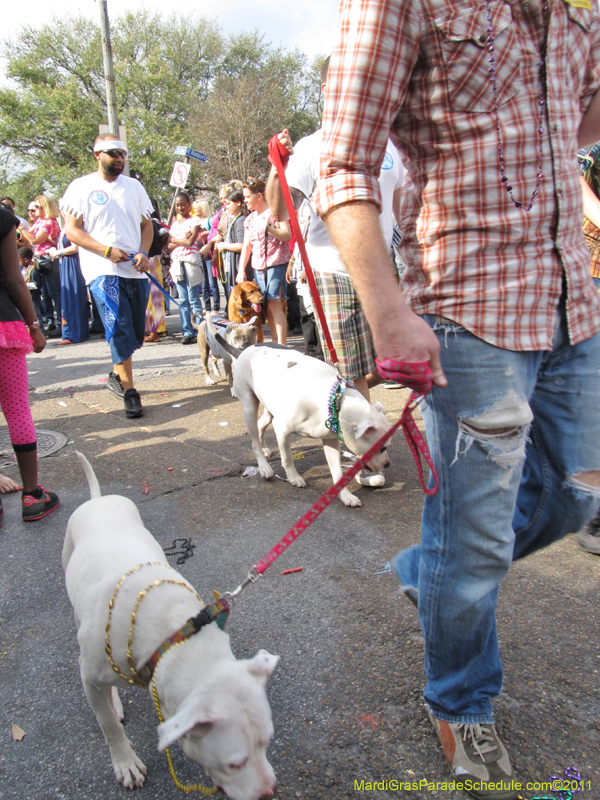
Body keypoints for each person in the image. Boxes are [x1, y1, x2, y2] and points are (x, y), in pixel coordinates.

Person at [309, 3, 600, 798]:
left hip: (573, 299)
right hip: (470, 305)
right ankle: (461, 700)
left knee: (578, 494)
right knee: (471, 539)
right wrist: (388, 312)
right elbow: (343, 164)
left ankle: (429, 570)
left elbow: (575, 119)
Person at [266, 56, 404, 486]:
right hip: (332, 271)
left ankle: (358, 429)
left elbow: (402, 211)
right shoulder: (313, 147)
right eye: (345, 80)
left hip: (382, 272)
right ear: (327, 89)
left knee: (391, 365)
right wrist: (276, 165)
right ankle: (360, 452)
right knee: (350, 371)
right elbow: (279, 212)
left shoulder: (390, 147)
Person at [62, 133, 153, 419]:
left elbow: (147, 226)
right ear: (97, 154)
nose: (119, 158)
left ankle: (116, 375)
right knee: (119, 326)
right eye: (113, 153)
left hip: (134, 271)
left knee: (135, 332)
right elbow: (72, 230)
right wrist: (105, 251)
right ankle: (130, 392)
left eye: (123, 153)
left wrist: (143, 252)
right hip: (102, 270)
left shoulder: (134, 187)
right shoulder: (81, 187)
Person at [0, 205, 59, 524]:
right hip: (3, 324)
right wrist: (34, 326)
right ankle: (33, 495)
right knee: (17, 409)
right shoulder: (2, 217)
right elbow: (14, 279)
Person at [238, 177, 291, 345]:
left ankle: (282, 344)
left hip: (276, 263)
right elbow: (247, 246)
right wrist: (241, 270)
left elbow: (287, 235)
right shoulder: (249, 220)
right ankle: (275, 343)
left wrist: (268, 228)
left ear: (259, 196)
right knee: (266, 305)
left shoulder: (276, 213)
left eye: (248, 196)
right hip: (258, 267)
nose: (245, 200)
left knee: (275, 303)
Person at [20, 195, 62, 337]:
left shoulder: (48, 222)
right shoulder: (40, 221)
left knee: (55, 293)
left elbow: (34, 240)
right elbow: (27, 235)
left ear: (45, 208)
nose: (34, 209)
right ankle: (50, 322)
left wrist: (21, 228)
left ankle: (61, 324)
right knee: (44, 294)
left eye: (37, 207)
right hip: (40, 260)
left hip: (48, 260)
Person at [167, 191, 204, 344]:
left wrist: (176, 240)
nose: (180, 207)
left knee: (193, 298)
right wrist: (182, 239)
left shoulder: (194, 221)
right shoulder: (174, 225)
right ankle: (187, 331)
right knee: (183, 299)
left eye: (183, 204)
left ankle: (200, 330)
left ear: (189, 204)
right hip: (177, 263)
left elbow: (190, 242)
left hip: (190, 262)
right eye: (177, 205)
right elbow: (168, 245)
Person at [47, 215, 90, 345]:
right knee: (68, 295)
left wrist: (58, 252)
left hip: (73, 263)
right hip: (65, 262)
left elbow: (75, 247)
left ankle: (75, 333)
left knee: (73, 295)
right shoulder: (65, 226)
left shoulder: (74, 226)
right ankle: (73, 331)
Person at [215, 188, 246, 308]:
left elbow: (242, 245)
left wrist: (223, 246)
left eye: (228, 204)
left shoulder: (241, 220)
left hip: (238, 266)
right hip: (231, 265)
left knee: (238, 301)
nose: (226, 207)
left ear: (238, 203)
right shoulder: (235, 219)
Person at [193, 199, 220, 312]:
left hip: (208, 254)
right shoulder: (195, 221)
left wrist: (205, 232)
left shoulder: (209, 221)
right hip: (199, 254)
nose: (194, 210)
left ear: (202, 208)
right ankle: (207, 306)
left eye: (196, 208)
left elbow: (215, 233)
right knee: (204, 283)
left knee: (213, 282)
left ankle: (216, 307)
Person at [18, 246, 44, 332]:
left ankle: (41, 331)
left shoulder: (33, 269)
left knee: (35, 314)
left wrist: (23, 285)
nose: (18, 263)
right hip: (26, 296)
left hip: (33, 296)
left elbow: (36, 285)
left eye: (19, 260)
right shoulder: (24, 268)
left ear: (25, 260)